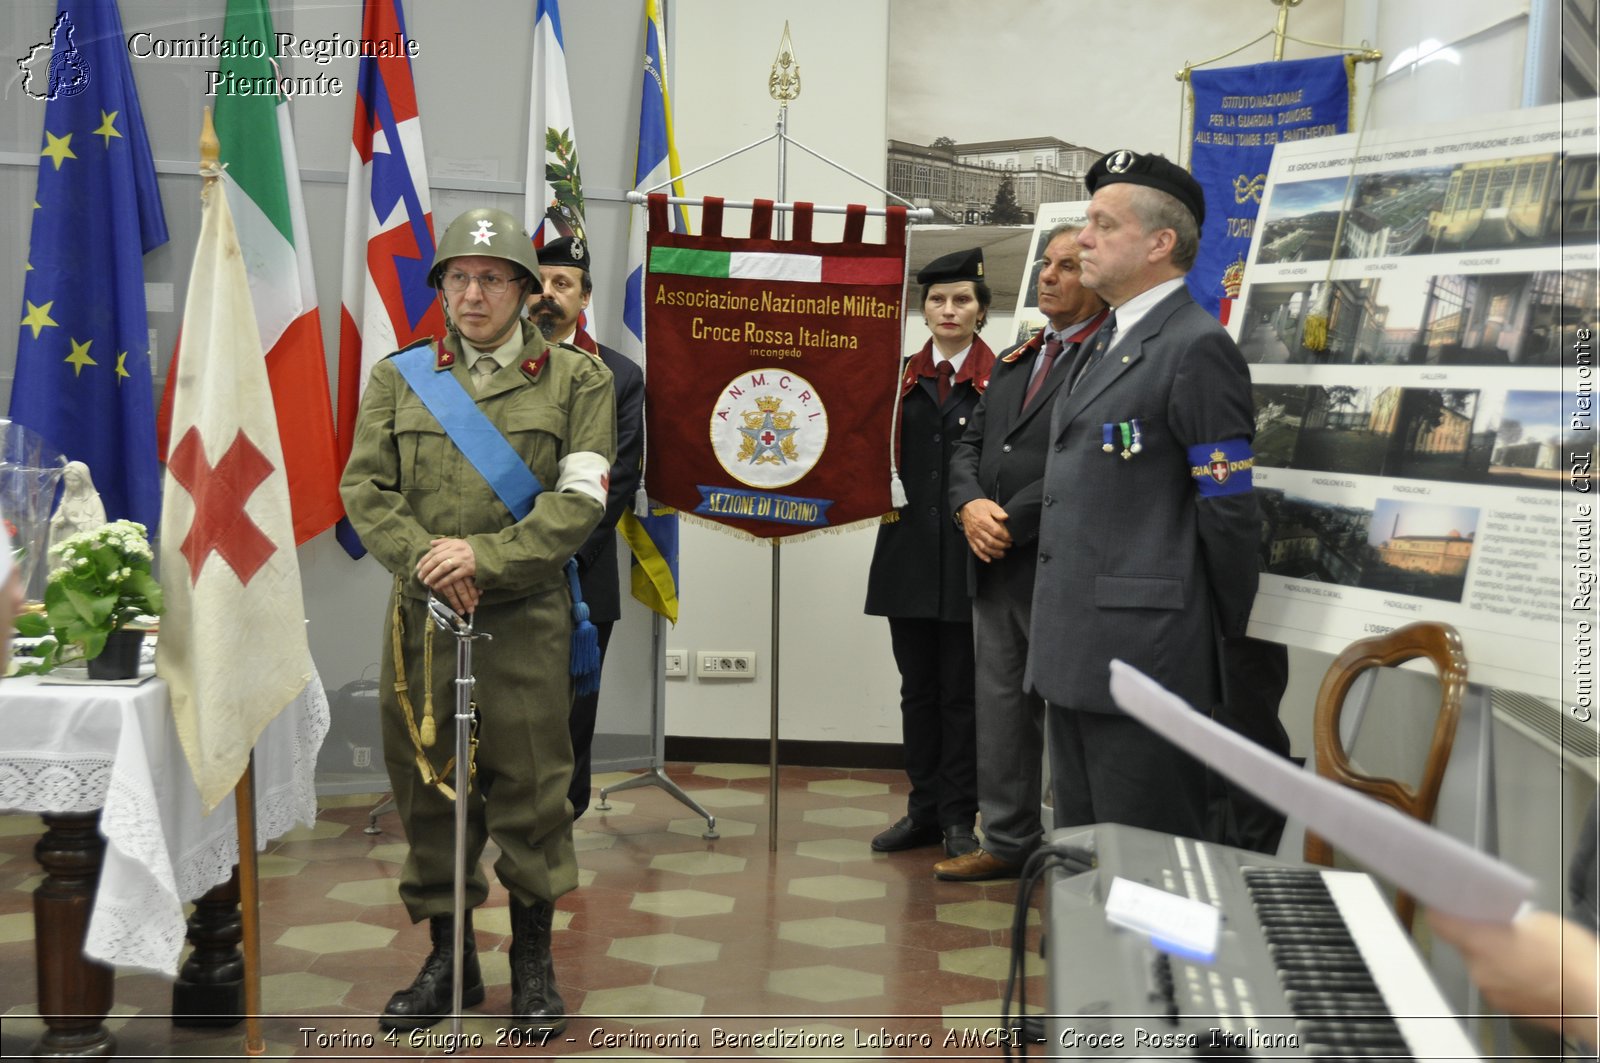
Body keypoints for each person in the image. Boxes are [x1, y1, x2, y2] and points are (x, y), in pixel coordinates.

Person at [340, 206, 615, 1034]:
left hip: (525, 621)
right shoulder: (398, 377)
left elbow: (581, 502)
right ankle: (448, 958)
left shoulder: (578, 381)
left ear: (528, 291)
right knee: (429, 789)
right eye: (457, 277)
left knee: (532, 789)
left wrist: (483, 560)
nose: (472, 292)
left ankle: (532, 963)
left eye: (492, 278)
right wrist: (431, 558)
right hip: (422, 620)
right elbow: (365, 489)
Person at [1026, 151, 1259, 840]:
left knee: (1148, 869)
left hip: (1148, 659)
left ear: (1160, 244)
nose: (1083, 239)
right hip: (1077, 651)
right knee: (1076, 859)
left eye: (1103, 224)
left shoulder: (1195, 347)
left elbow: (1229, 507)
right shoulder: (1105, 340)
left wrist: (1217, 644)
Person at [936, 226, 1108, 882]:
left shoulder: (1111, 358)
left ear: (1098, 276)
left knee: (1068, 717)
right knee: (1001, 709)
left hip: (1059, 563)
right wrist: (969, 507)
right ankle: (1006, 838)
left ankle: (1075, 856)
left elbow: (1090, 457)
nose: (1049, 276)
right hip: (995, 560)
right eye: (1046, 264)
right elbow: (969, 447)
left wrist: (1008, 518)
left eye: (1068, 266)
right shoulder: (1018, 357)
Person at [864, 247, 992, 860]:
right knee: (917, 690)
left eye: (962, 299)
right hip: (909, 557)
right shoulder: (895, 380)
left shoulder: (1006, 377)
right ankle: (922, 809)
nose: (949, 309)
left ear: (981, 311)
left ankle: (960, 816)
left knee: (962, 693)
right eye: (938, 300)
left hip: (976, 560)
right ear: (922, 309)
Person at [530, 235, 644, 820]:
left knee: (574, 708)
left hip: (581, 570)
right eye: (539, 283)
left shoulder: (619, 375)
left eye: (562, 284)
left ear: (586, 296)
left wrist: (560, 552)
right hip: (503, 568)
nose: (546, 296)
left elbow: (621, 476)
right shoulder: (488, 368)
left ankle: (563, 816)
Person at [48, 461, 106, 547]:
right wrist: (59, 522)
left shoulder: (93, 501)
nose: (71, 483)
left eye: (75, 480)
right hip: (65, 542)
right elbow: (55, 520)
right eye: (68, 479)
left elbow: (100, 526)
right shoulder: (66, 499)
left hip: (84, 547)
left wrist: (74, 520)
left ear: (83, 480)